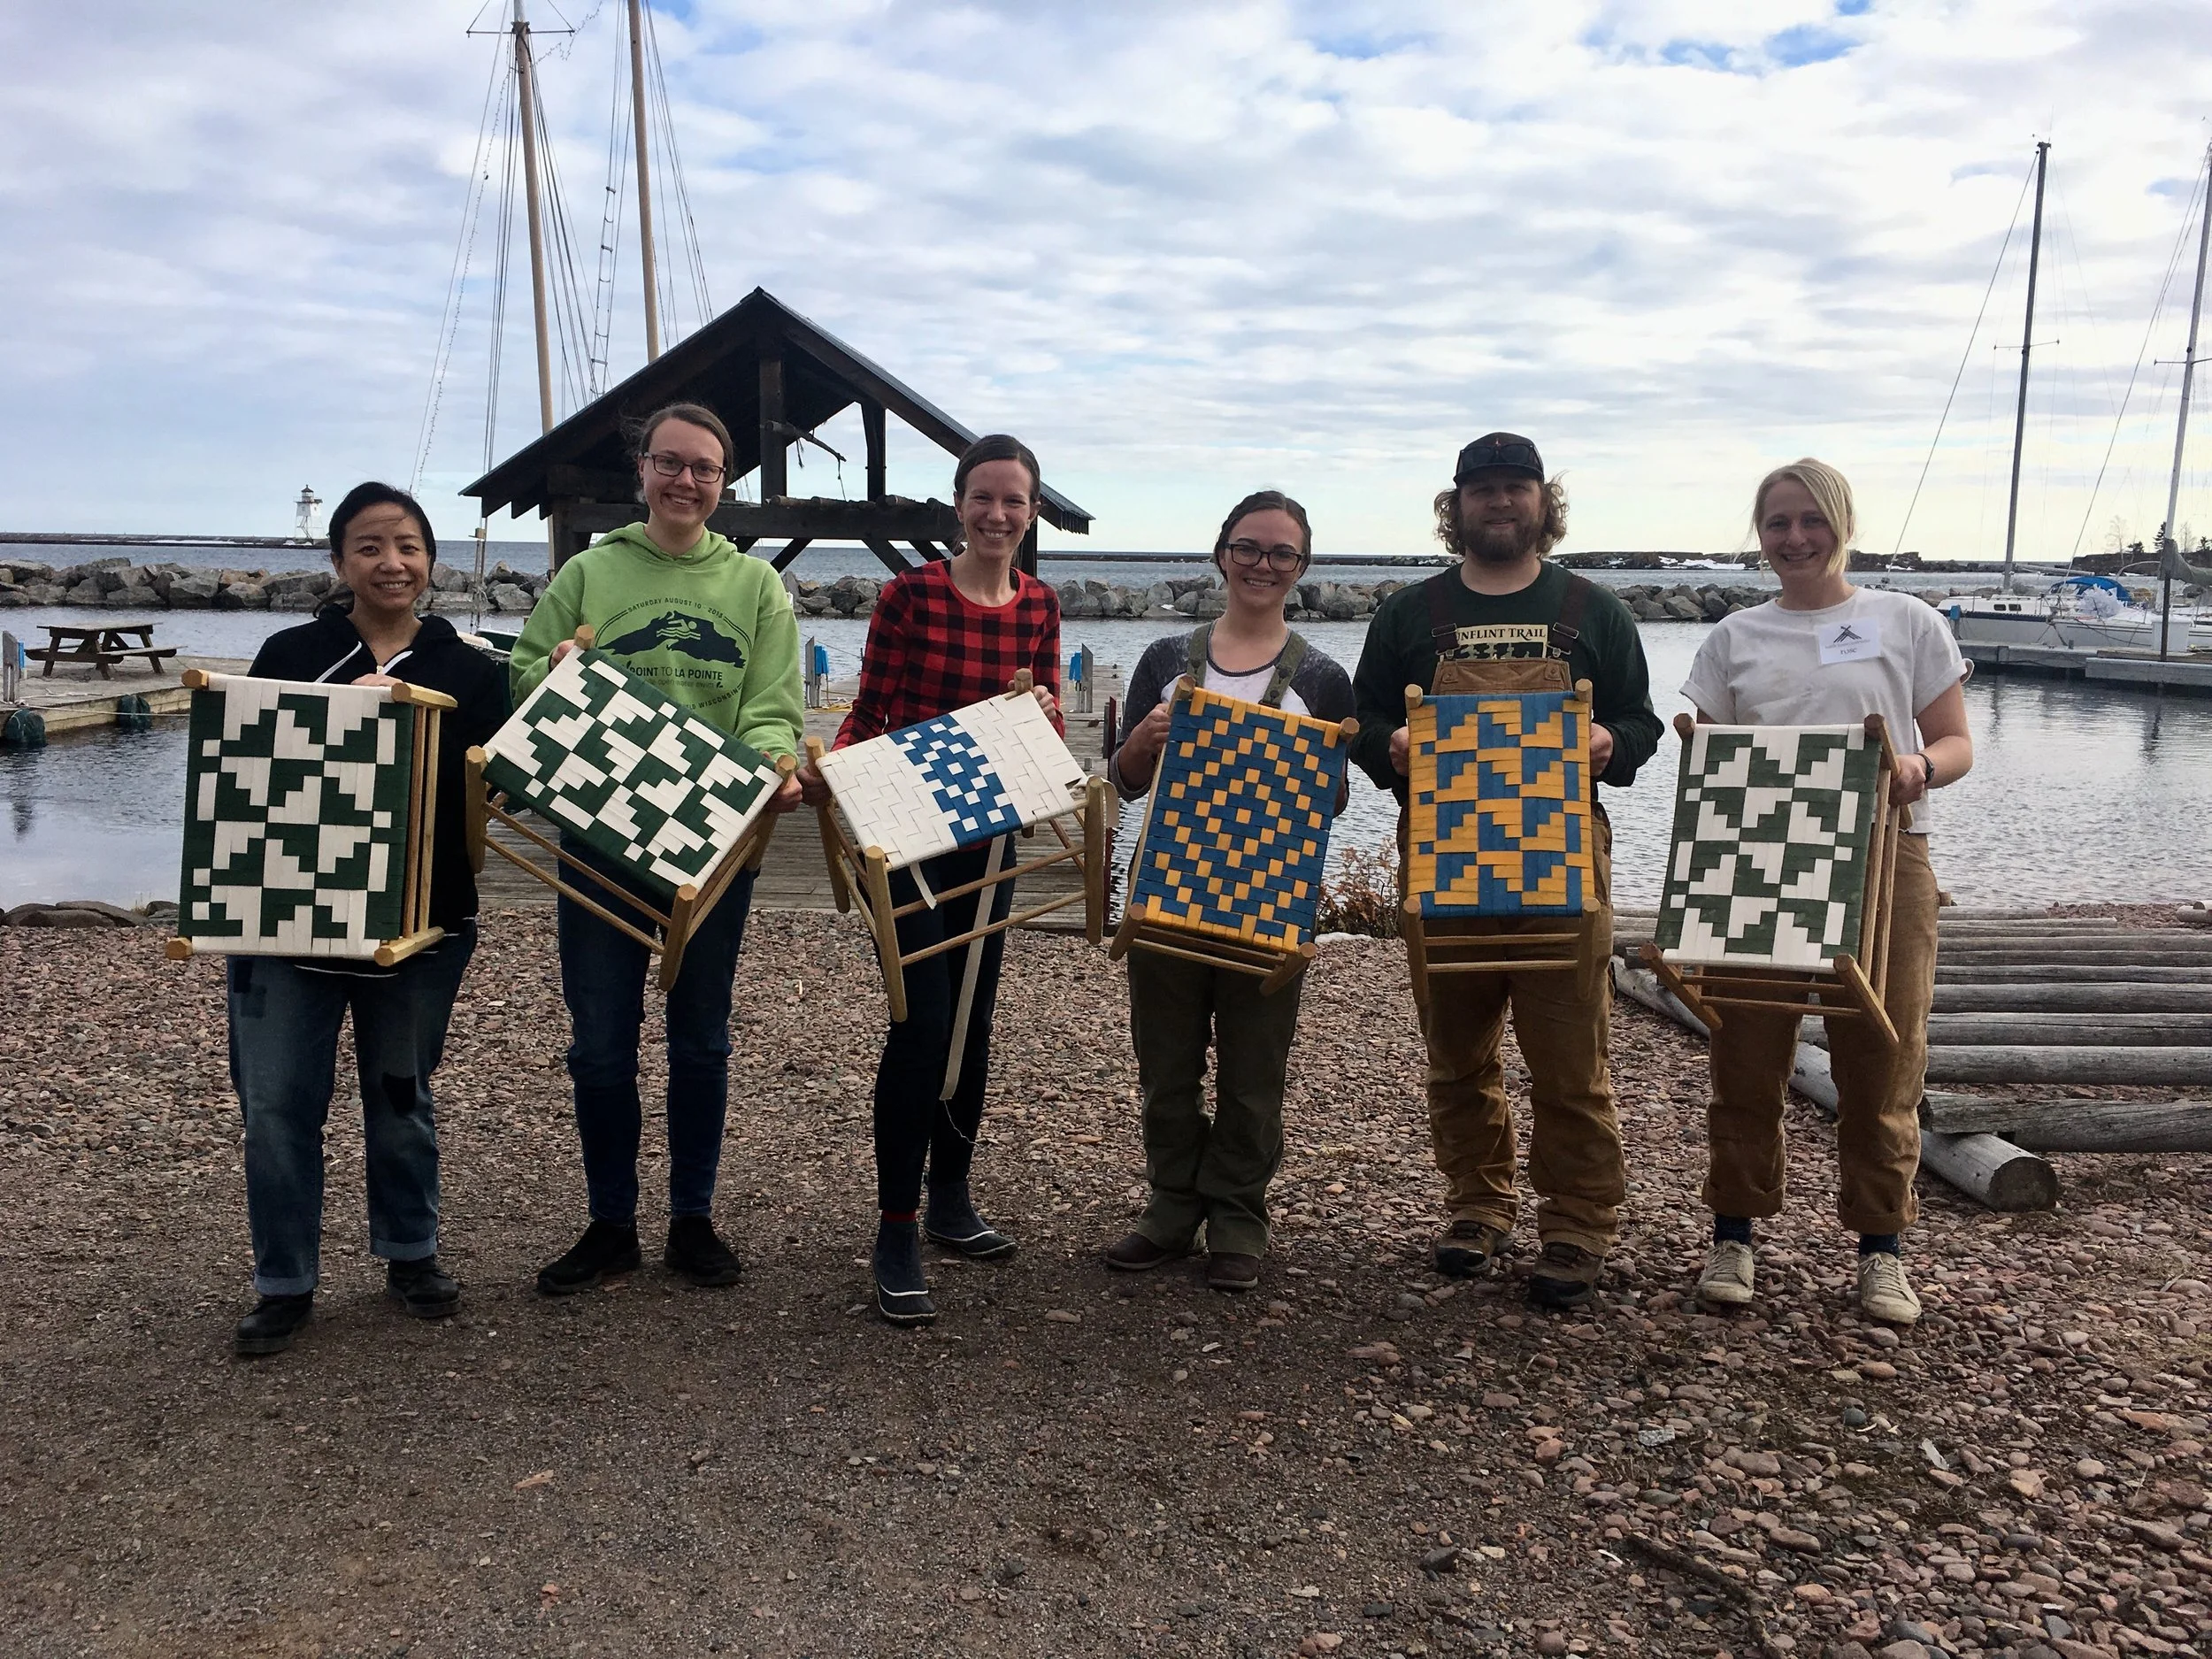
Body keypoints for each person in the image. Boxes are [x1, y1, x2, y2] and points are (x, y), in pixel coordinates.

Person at [1349, 434, 1661, 1310]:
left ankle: (1576, 1222)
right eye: (1481, 490)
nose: (1498, 502)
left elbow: (1642, 724)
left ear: (1540, 502)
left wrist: (1609, 743)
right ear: (1457, 507)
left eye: (1514, 488)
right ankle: (1476, 1204)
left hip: (1563, 856)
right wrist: (1390, 748)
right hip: (1442, 856)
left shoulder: (1593, 611)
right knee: (1455, 1054)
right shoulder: (1408, 614)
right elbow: (1364, 722)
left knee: (1570, 1058)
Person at [511, 401, 804, 1297]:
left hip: (713, 842)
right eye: (670, 463)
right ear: (641, 470)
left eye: (705, 469)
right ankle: (609, 1224)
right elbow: (525, 677)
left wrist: (769, 768)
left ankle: (691, 1218)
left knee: (701, 1042)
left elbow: (770, 705)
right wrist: (553, 673)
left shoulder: (757, 588)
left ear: (724, 483)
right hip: (600, 837)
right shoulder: (590, 573)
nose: (686, 482)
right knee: (599, 1045)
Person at [1682, 458, 1972, 1326]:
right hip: (1759, 857)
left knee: (1881, 1060)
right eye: (1777, 523)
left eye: (1810, 520)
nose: (1794, 538)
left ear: (1840, 523)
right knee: (1745, 1053)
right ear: (1759, 534)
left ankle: (1881, 1249)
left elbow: (1956, 742)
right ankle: (1733, 1233)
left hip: (1886, 856)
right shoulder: (1734, 635)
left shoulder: (1906, 619)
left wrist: (1917, 768)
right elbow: (1708, 754)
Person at [228, 482, 511, 1356]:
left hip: (421, 924)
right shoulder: (288, 652)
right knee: (276, 1107)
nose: (392, 563)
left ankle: (410, 1251)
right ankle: (284, 1278)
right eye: (370, 546)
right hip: (286, 923)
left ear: (430, 560)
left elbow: (497, 789)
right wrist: (337, 726)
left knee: (402, 1100)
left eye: (408, 546)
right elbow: (242, 780)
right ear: (339, 560)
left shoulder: (469, 667)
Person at [797, 434, 1063, 1326]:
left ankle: (951, 1196)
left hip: (992, 836)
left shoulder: (1040, 604)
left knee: (975, 1022)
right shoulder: (909, 594)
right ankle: (896, 1225)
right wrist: (837, 781)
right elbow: (872, 709)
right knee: (922, 1025)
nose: (997, 514)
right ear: (958, 505)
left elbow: (1045, 721)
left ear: (1031, 513)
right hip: (908, 835)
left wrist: (1049, 729)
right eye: (983, 497)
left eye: (1013, 501)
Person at [1101, 491, 1354, 1294]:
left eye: (1281, 553)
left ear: (1302, 569)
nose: (1263, 565)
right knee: (1166, 1062)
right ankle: (1172, 1205)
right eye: (1248, 547)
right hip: (1166, 895)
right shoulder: (1165, 660)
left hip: (1267, 902)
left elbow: (1333, 800)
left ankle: (1239, 1213)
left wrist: (1273, 766)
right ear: (1221, 554)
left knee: (1254, 1069)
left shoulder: (1323, 676)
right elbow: (1124, 784)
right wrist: (1141, 740)